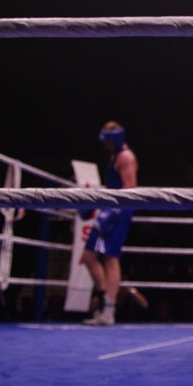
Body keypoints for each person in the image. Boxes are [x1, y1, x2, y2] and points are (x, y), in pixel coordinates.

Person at [82, 121, 138, 327]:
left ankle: (108, 310)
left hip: (119, 211)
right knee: (89, 256)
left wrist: (111, 212)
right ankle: (104, 298)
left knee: (111, 259)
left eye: (108, 141)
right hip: (110, 209)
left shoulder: (125, 157)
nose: (105, 145)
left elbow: (130, 187)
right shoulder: (114, 156)